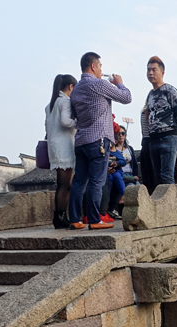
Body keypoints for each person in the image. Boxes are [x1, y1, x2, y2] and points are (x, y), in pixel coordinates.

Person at [69, 52, 131, 230]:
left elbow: (74, 115)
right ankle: (94, 219)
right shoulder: (100, 84)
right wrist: (119, 83)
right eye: (101, 66)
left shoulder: (76, 89)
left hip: (81, 140)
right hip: (98, 141)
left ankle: (75, 219)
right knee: (97, 181)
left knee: (79, 181)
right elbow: (126, 97)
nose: (101, 69)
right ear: (94, 66)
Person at [145, 56, 177, 186]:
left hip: (169, 137)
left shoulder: (170, 90)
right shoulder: (150, 94)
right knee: (157, 178)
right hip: (153, 139)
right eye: (148, 70)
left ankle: (171, 206)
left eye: (154, 70)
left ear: (162, 72)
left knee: (167, 176)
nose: (151, 73)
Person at [45, 74, 77, 229]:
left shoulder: (50, 104)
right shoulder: (65, 101)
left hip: (54, 146)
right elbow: (65, 122)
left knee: (63, 184)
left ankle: (61, 216)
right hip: (64, 146)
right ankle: (60, 217)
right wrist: (79, 122)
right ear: (71, 87)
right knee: (64, 185)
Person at [106, 139, 127, 220]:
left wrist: (117, 163)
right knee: (110, 179)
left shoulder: (117, 153)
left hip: (117, 171)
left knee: (118, 178)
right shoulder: (105, 151)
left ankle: (123, 194)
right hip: (108, 173)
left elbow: (123, 161)